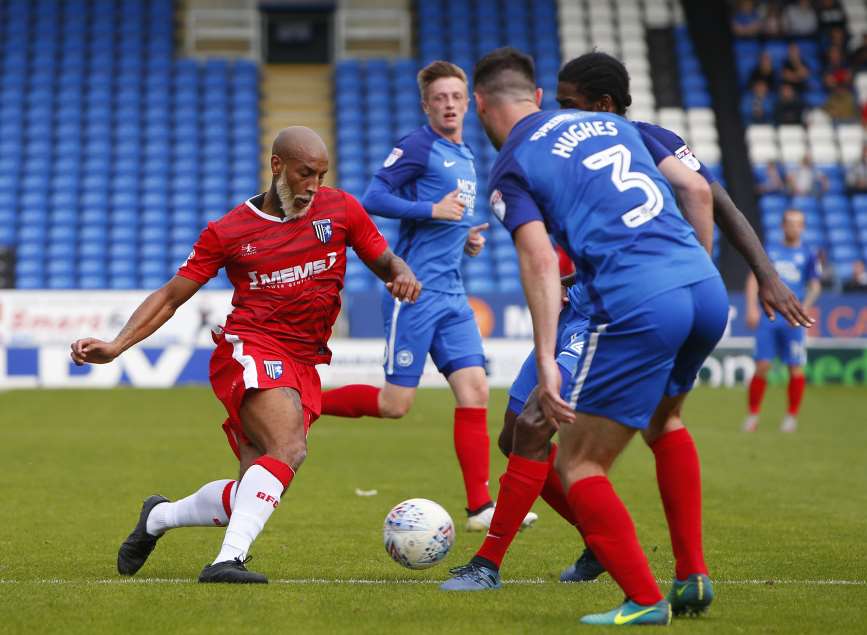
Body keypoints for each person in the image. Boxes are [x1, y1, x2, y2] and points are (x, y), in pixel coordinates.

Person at [442, 50, 812, 607]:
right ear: (535, 98)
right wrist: (697, 267)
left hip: (617, 304)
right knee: (628, 425)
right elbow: (699, 192)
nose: (562, 113)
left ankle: (494, 563)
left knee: (554, 439)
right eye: (556, 102)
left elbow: (539, 256)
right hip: (682, 289)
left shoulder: (544, 149)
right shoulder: (619, 131)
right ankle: (669, 566)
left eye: (569, 103)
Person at [70, 127, 422, 584]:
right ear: (277, 167)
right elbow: (172, 295)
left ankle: (158, 518)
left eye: (321, 174)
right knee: (289, 447)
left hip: (305, 359)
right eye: (304, 174)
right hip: (251, 348)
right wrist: (117, 344)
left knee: (254, 488)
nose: (313, 185)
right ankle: (225, 562)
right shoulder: (230, 230)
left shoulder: (341, 210)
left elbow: (384, 260)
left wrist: (401, 272)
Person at [316, 61, 536, 531]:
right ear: (427, 105)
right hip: (412, 291)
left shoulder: (468, 155)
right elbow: (372, 198)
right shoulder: (418, 145)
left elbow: (448, 222)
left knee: (475, 390)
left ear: (467, 102)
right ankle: (307, 402)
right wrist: (429, 208)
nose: (450, 104)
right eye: (440, 98)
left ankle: (480, 507)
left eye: (457, 96)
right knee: (395, 405)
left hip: (454, 294)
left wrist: (466, 238)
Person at [744, 209, 821, 433]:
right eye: (789, 223)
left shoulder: (808, 255)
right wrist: (750, 307)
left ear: (803, 227)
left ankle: (791, 417)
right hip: (769, 315)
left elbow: (815, 285)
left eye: (798, 224)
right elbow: (753, 279)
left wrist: (803, 309)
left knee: (795, 367)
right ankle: (753, 415)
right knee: (762, 366)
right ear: (783, 225)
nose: (793, 227)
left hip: (792, 320)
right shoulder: (770, 250)